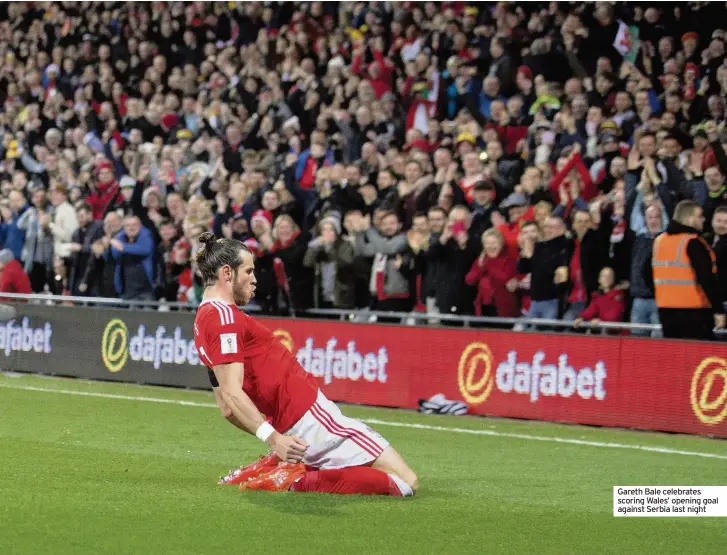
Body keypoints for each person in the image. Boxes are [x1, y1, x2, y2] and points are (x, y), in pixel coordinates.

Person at [192, 231, 417, 496]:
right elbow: (231, 392)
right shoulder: (224, 318)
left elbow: (227, 409)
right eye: (249, 271)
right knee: (406, 481)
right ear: (227, 273)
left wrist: (276, 436)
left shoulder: (202, 320)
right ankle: (298, 478)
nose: (254, 280)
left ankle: (289, 466)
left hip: (293, 422)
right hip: (311, 416)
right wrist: (273, 439)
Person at [650, 200, 725, 340]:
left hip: (666, 311)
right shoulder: (693, 242)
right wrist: (718, 310)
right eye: (699, 216)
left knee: (676, 355)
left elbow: (645, 273)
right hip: (695, 312)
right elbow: (707, 279)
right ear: (689, 219)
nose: (703, 219)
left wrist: (662, 294)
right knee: (699, 357)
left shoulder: (659, 241)